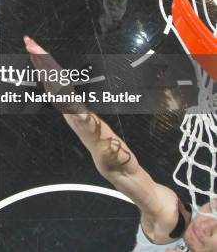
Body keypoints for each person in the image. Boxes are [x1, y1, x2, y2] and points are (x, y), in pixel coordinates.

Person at [24, 36, 217, 252]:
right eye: (215, 209)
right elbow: (121, 168)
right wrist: (72, 104)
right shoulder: (170, 218)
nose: (207, 225)